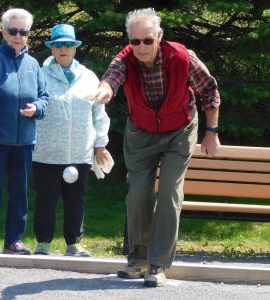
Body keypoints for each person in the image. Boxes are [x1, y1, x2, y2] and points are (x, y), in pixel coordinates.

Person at [92, 8, 221, 287]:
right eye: (135, 41)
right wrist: (105, 90)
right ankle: (137, 259)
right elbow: (112, 76)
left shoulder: (182, 57)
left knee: (169, 196)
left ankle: (158, 264)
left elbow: (210, 92)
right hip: (141, 131)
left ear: (159, 37)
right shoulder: (125, 59)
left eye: (147, 40)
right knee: (138, 195)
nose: (141, 47)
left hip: (180, 129)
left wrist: (211, 132)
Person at [32, 24, 110, 257]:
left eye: (68, 44)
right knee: (45, 200)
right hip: (46, 152)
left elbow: (99, 114)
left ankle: (73, 244)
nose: (63, 48)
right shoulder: (40, 74)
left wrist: (100, 144)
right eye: (57, 45)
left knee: (76, 201)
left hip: (79, 152)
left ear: (75, 48)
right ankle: (43, 244)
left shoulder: (89, 77)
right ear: (52, 49)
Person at [0, 8, 49, 255]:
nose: (18, 36)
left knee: (20, 193)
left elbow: (44, 97)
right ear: (3, 32)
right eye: (13, 31)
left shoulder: (33, 63)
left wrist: (37, 108)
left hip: (26, 140)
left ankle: (14, 240)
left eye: (24, 32)